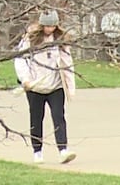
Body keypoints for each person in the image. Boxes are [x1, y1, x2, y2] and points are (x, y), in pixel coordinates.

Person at [14, 9, 77, 164]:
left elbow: (67, 63)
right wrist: (25, 80)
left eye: (53, 26)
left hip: (55, 87)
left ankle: (63, 150)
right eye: (47, 26)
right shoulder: (29, 39)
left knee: (58, 116)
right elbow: (20, 60)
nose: (50, 29)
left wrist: (70, 86)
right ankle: (37, 151)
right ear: (42, 25)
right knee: (36, 118)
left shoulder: (61, 41)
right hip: (35, 88)